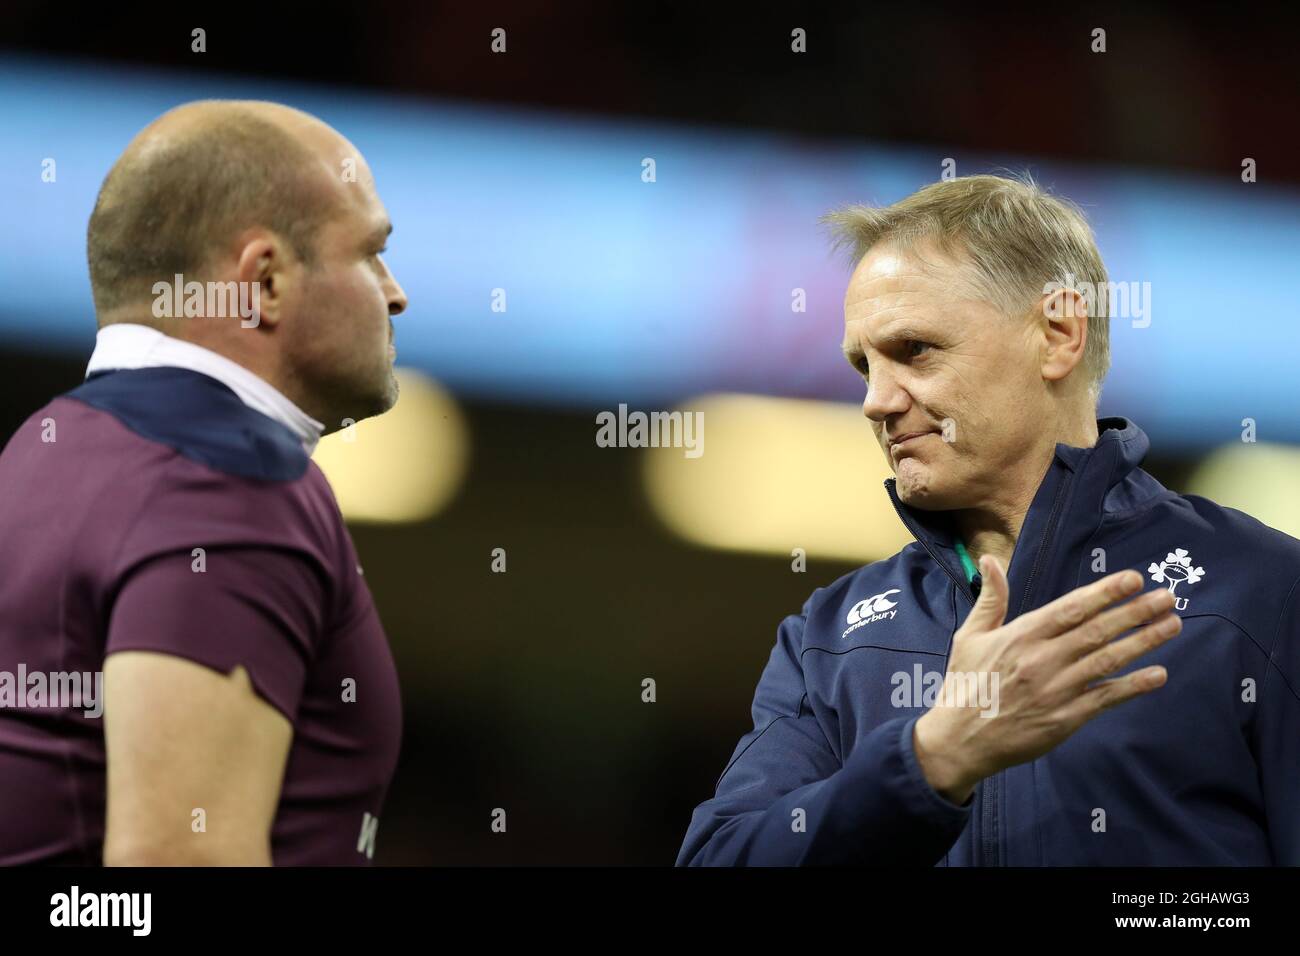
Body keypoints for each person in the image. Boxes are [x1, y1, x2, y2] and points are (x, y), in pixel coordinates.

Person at [677, 174, 1300, 865]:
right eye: (863, 365)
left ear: (1059, 334)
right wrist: (932, 760)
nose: (875, 402)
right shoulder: (830, 639)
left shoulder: (1262, 593)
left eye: (915, 350)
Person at [0, 100, 408, 865]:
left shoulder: (35, 453)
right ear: (264, 281)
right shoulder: (230, 479)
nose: (395, 293)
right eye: (372, 253)